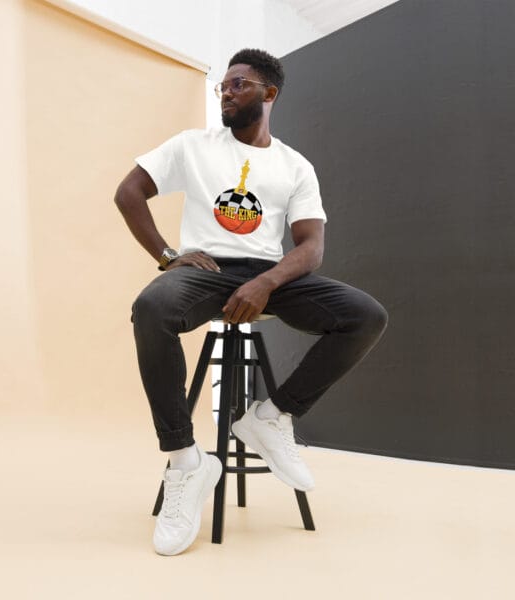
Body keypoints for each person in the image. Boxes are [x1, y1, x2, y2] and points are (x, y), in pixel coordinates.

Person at [115, 48, 388, 556]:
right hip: (207, 271)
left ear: (269, 93)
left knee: (365, 316)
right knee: (151, 309)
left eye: (238, 84)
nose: (226, 91)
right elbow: (128, 192)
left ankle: (270, 416)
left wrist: (266, 283)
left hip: (271, 274)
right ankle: (185, 462)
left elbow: (311, 247)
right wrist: (170, 256)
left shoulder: (293, 166)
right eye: (223, 85)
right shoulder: (193, 146)